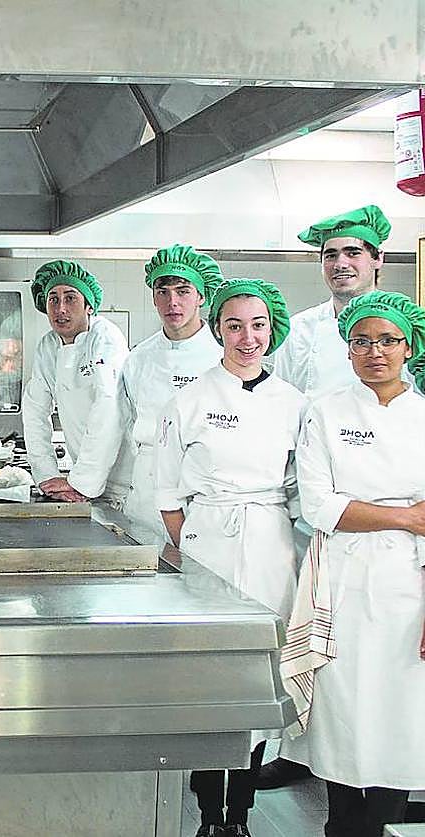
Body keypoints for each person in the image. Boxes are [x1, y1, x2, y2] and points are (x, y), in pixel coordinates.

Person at [155, 278, 305, 837]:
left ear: (272, 330)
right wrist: (191, 550)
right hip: (208, 541)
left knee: (259, 679)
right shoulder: (190, 400)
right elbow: (168, 490)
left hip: (269, 541)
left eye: (258, 325)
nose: (247, 337)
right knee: (204, 677)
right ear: (216, 327)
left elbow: (298, 489)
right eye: (235, 325)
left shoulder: (293, 403)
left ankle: (239, 815)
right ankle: (207, 811)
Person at [282, 291, 425, 837]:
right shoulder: (326, 412)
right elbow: (320, 506)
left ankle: (379, 825)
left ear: (408, 345)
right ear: (347, 350)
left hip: (410, 588)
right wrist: (410, 517)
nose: (375, 352)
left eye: (388, 340)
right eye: (361, 341)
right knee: (344, 710)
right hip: (340, 582)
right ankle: (341, 824)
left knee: (402, 714)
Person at [118, 244, 224, 544]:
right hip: (144, 502)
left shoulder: (222, 356)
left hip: (201, 499)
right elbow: (125, 430)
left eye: (183, 291)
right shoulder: (138, 358)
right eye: (162, 292)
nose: (172, 302)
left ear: (202, 296)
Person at [21, 259, 130, 502]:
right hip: (84, 476)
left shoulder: (104, 337)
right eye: (53, 299)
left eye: (70, 298)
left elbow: (109, 406)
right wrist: (46, 476)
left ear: (88, 306)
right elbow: (34, 411)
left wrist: (82, 482)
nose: (61, 309)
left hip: (125, 482)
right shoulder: (48, 346)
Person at [273, 206, 395, 401]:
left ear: (378, 258)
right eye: (331, 255)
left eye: (353, 253)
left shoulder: (405, 327)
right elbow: (282, 405)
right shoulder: (298, 329)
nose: (340, 264)